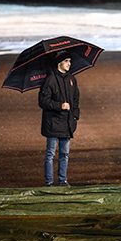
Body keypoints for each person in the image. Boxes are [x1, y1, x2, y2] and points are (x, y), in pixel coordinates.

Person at [39, 50, 80, 187]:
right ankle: (49, 182)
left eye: (69, 61)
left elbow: (76, 99)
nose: (69, 63)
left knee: (65, 154)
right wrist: (59, 106)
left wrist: (75, 116)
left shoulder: (71, 79)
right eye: (66, 61)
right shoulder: (50, 80)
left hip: (67, 123)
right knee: (50, 154)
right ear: (59, 63)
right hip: (53, 122)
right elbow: (43, 102)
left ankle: (63, 180)